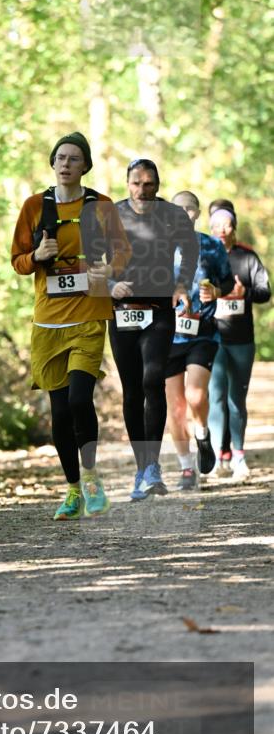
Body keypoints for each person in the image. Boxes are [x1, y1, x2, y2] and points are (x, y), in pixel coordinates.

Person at [11, 131, 131, 520]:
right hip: (48, 322)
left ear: (85, 166)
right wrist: (36, 255)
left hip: (90, 315)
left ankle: (93, 479)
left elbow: (123, 252)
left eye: (73, 159)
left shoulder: (102, 206)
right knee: (60, 413)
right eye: (60, 158)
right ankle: (72, 490)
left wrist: (109, 269)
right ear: (52, 163)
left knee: (81, 399)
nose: (65, 164)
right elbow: (16, 260)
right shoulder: (33, 206)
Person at [109, 160, 198, 500]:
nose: (142, 190)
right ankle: (141, 467)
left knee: (152, 379)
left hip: (159, 310)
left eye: (149, 184)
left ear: (158, 184)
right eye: (136, 183)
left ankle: (153, 468)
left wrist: (181, 286)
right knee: (132, 390)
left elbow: (189, 251)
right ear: (127, 183)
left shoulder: (174, 215)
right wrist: (112, 285)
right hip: (122, 312)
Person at [165, 191, 234, 490]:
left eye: (189, 209)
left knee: (195, 397)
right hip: (167, 335)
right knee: (175, 408)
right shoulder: (159, 247)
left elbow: (228, 281)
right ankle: (185, 469)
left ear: (196, 214)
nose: (183, 213)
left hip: (202, 332)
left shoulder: (210, 246)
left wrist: (216, 293)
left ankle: (203, 434)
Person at [207, 204, 271, 480]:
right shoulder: (205, 256)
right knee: (215, 397)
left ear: (234, 227)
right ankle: (216, 458)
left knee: (236, 400)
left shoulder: (247, 258)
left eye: (227, 225)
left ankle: (239, 457)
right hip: (212, 336)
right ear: (210, 229)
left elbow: (264, 292)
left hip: (242, 340)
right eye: (216, 225)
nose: (222, 230)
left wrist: (245, 293)